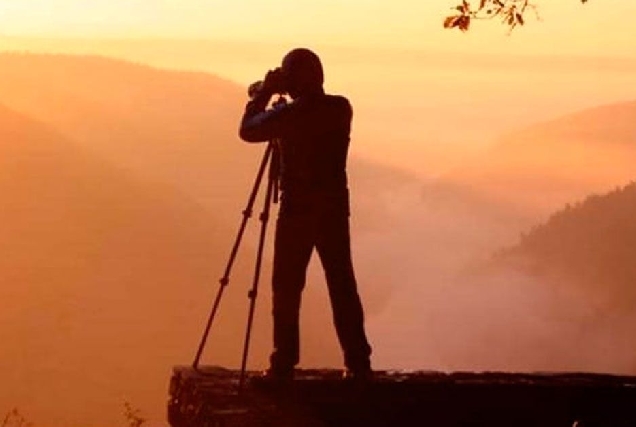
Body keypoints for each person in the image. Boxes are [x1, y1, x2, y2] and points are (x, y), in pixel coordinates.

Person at [239, 48, 372, 380]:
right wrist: (283, 104)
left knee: (286, 286)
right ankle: (358, 362)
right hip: (334, 210)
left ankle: (283, 362)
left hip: (297, 210)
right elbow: (305, 115)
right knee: (342, 284)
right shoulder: (340, 108)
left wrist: (264, 93)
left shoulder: (290, 116)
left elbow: (248, 130)